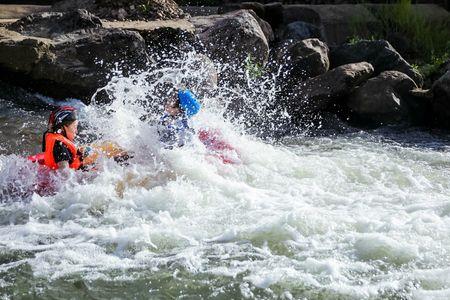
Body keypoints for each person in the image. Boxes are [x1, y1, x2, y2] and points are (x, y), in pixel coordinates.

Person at [42, 106, 84, 170]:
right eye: (75, 127)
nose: (76, 131)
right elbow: (65, 176)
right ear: (62, 128)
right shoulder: (59, 145)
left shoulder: (54, 138)